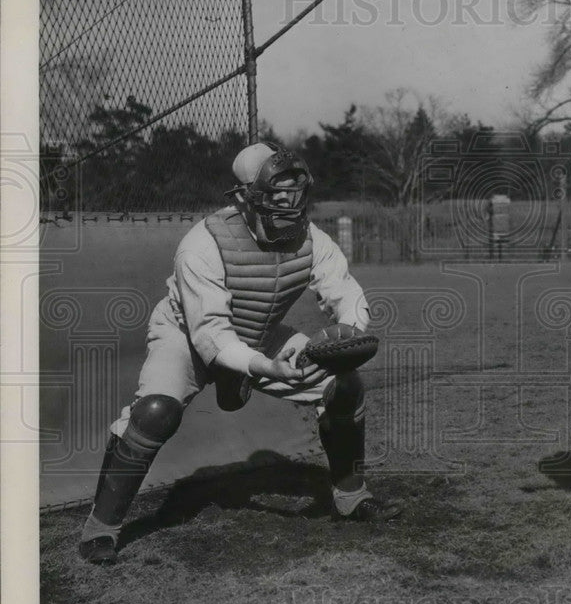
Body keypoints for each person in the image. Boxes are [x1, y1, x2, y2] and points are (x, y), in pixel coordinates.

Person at [78, 142, 400, 565]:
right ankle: (100, 528)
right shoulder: (202, 245)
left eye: (295, 190)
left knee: (345, 386)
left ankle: (352, 495)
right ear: (246, 197)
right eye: (276, 193)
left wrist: (351, 331)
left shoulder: (311, 238)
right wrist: (265, 367)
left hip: (260, 332)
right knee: (155, 412)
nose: (289, 202)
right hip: (186, 334)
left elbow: (345, 290)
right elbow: (210, 333)